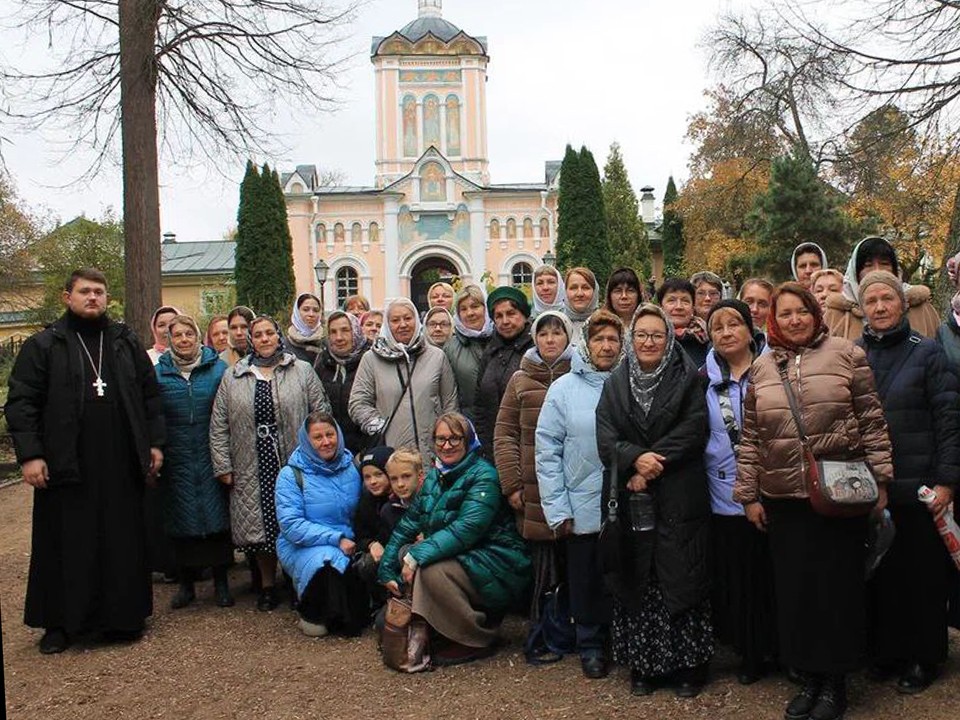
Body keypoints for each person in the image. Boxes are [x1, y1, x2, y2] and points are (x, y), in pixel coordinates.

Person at [735, 282, 893, 720]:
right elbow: (752, 437)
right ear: (774, 320)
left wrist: (881, 479)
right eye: (785, 313)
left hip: (839, 494)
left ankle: (835, 682)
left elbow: (872, 421)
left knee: (836, 590)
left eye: (801, 311)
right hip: (785, 499)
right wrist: (748, 495)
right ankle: (808, 677)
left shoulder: (846, 354)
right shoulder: (763, 368)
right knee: (797, 592)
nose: (794, 320)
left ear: (815, 313)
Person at [5, 268, 165, 654]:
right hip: (66, 463)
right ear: (68, 297)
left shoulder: (124, 342)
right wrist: (31, 455)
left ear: (106, 298)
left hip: (120, 461)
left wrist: (155, 444)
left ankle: (122, 619)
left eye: (99, 292)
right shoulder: (45, 344)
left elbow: (150, 396)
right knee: (65, 543)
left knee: (121, 540)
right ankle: (61, 624)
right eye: (84, 291)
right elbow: (22, 402)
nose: (92, 297)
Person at [596, 303, 714, 698]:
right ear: (632, 339)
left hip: (679, 490)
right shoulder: (615, 383)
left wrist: (649, 464)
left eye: (657, 335)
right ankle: (644, 665)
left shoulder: (688, 377)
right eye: (642, 335)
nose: (649, 342)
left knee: (681, 575)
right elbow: (605, 437)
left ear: (668, 338)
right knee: (639, 578)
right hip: (632, 495)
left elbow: (695, 428)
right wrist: (633, 459)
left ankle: (689, 667)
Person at [856, 271, 960, 694]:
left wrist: (947, 481)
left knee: (922, 576)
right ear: (861, 308)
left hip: (919, 486)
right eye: (871, 300)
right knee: (883, 575)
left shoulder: (928, 352)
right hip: (873, 487)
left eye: (888, 298)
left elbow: (949, 420)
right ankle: (888, 651)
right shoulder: (855, 353)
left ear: (902, 303)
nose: (880, 307)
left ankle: (924, 656)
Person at [378, 413, 531, 668]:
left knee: (429, 570)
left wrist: (416, 555)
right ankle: (440, 631)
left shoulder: (484, 476)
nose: (446, 445)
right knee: (406, 554)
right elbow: (409, 523)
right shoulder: (435, 477)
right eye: (440, 439)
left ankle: (476, 638)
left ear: (468, 440)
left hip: (498, 560)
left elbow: (467, 529)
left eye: (454, 438)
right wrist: (386, 567)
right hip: (464, 557)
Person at [209, 315, 330, 611]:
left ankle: (297, 581)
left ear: (278, 336)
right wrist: (223, 465)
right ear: (251, 340)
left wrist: (320, 454)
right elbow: (219, 424)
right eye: (258, 334)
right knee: (261, 525)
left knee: (295, 519)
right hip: (250, 460)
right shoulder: (234, 375)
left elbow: (321, 411)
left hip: (294, 460)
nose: (264, 339)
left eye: (269, 333)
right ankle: (266, 586)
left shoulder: (301, 370)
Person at [535, 309, 623, 679]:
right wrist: (558, 508)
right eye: (599, 339)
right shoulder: (563, 389)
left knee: (621, 572)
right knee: (586, 576)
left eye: (613, 339)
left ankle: (622, 639)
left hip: (623, 499)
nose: (606, 346)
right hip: (581, 498)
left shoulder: (630, 382)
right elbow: (547, 450)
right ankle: (590, 644)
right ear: (586, 344)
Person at [702, 300, 776, 685]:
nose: (727, 332)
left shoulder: (774, 371)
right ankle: (750, 650)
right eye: (718, 327)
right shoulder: (703, 380)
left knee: (774, 573)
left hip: (774, 488)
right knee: (739, 576)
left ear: (750, 329)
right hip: (725, 493)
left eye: (734, 324)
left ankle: (783, 648)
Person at [494, 310, 574, 616]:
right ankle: (544, 621)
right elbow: (505, 433)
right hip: (533, 486)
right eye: (543, 333)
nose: (550, 339)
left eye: (557, 333)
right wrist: (512, 484)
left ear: (568, 337)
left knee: (573, 556)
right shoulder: (520, 379)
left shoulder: (580, 374)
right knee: (542, 560)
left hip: (573, 483)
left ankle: (574, 622)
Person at [155, 315, 234, 610]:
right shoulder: (159, 374)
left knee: (217, 519)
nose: (184, 339)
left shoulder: (218, 369)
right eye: (178, 335)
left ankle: (221, 583)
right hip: (177, 457)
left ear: (198, 337)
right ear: (170, 340)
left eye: (189, 334)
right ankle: (186, 585)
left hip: (210, 451)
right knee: (180, 519)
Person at [275, 412, 367, 637]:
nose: (326, 442)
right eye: (318, 437)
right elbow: (291, 524)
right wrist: (336, 539)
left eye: (330, 434)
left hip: (349, 540)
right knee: (327, 562)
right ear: (307, 441)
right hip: (304, 544)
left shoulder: (352, 467)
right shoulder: (290, 475)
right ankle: (314, 614)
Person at [349, 298, 459, 462]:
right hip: (392, 455)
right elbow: (358, 402)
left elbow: (450, 402)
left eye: (408, 318)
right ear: (387, 324)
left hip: (432, 452)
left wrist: (447, 437)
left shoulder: (436, 356)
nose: (403, 324)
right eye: (395, 320)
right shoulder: (371, 359)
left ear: (417, 320)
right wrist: (378, 426)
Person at [824, 236, 939, 341]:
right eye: (868, 265)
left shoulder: (920, 308)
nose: (877, 270)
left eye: (884, 264)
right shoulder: (837, 314)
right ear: (856, 273)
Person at [474, 287, 534, 459]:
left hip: (529, 448)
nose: (505, 321)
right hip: (494, 449)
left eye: (511, 313)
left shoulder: (535, 350)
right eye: (499, 316)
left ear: (524, 315)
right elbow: (479, 403)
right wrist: (485, 445)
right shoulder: (490, 352)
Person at [314, 310, 369, 454]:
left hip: (365, 449)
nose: (339, 337)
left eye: (345, 330)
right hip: (330, 448)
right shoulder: (322, 362)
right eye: (333, 332)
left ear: (355, 332)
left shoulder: (370, 360)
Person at [352, 446, 396, 606]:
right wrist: (371, 544)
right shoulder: (366, 501)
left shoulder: (401, 498)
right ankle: (380, 602)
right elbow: (359, 534)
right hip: (380, 555)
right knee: (366, 564)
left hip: (400, 553)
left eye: (379, 474)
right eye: (367, 477)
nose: (373, 481)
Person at [444, 284, 494, 423]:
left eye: (475, 306)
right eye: (463, 309)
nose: (470, 313)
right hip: (469, 423)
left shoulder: (502, 340)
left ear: (486, 309)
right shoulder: (450, 348)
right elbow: (449, 395)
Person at [657, 277, 710, 369]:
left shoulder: (707, 339)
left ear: (693, 308)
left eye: (685, 301)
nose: (679, 307)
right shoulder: (649, 339)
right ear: (660, 307)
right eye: (671, 300)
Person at [285, 292, 325, 366]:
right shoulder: (284, 345)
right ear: (297, 312)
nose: (311, 314)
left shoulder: (326, 344)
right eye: (306, 310)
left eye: (316, 310)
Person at [738, 277, 773, 351]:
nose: (754, 309)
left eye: (762, 304)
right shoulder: (723, 343)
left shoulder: (775, 348)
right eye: (749, 302)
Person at [564, 267, 600, 336]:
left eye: (585, 288)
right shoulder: (556, 323)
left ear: (595, 292)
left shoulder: (606, 323)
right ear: (565, 292)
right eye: (573, 288)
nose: (579, 294)